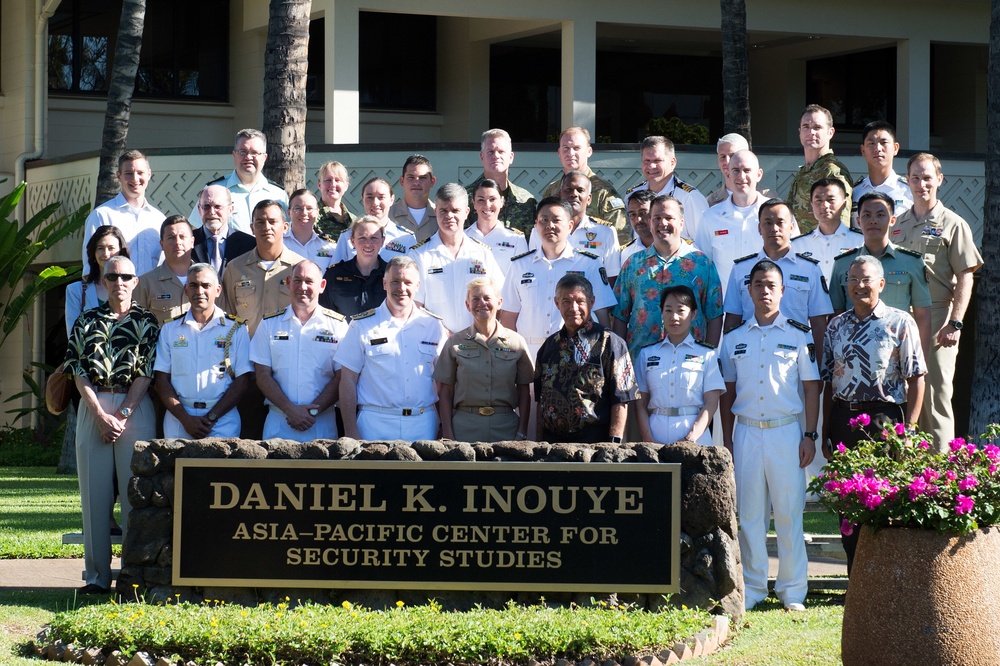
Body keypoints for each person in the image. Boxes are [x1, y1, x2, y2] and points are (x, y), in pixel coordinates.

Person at [719, 260, 821, 612]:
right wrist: (728, 440)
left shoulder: (798, 334)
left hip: (786, 434)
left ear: (782, 291)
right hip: (747, 433)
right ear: (748, 290)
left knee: (789, 514)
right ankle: (754, 587)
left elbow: (811, 388)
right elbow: (728, 393)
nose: (764, 290)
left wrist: (809, 434)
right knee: (749, 517)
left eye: (771, 285)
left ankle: (792, 590)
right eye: (758, 284)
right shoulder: (733, 340)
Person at [821, 255, 926, 573]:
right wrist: (826, 429)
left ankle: (883, 578)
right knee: (848, 506)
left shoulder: (900, 321)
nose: (858, 285)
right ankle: (856, 579)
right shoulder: (835, 326)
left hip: (885, 420)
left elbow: (916, 377)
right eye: (852, 280)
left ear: (881, 284)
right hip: (844, 419)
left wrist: (908, 430)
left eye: (866, 279)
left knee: (884, 500)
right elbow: (829, 382)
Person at [63, 255, 159, 594]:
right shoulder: (87, 321)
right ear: (104, 282)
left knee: (136, 496)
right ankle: (97, 578)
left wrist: (123, 414)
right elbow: (78, 371)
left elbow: (146, 372)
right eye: (112, 276)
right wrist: (101, 415)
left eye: (125, 277)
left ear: (135, 282)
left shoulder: (148, 321)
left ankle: (133, 575)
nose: (119, 282)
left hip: (135, 407)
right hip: (94, 406)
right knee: (95, 497)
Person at [893, 153, 984, 449]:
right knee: (901, 397)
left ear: (939, 180)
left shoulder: (953, 224)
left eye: (927, 177)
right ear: (907, 180)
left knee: (935, 397)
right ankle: (903, 469)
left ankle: (939, 475)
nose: (921, 184)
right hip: (900, 320)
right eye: (915, 178)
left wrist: (955, 323)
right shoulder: (897, 226)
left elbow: (966, 276)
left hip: (937, 319)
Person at [335, 256, 448, 441]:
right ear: (384, 283)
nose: (402, 288)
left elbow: (444, 381)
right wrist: (350, 431)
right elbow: (348, 380)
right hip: (375, 423)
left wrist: (445, 426)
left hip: (423, 423)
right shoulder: (362, 325)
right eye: (395, 282)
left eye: (408, 282)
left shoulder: (433, 326)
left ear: (418, 285)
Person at [500, 197, 617, 359]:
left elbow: (602, 313)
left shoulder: (589, 263)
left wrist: (601, 356)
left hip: (577, 353)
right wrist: (511, 356)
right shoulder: (520, 265)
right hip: (529, 353)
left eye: (556, 220)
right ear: (536, 225)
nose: (550, 226)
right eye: (544, 220)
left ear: (570, 226)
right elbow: (508, 316)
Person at [614, 195, 724, 359]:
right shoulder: (633, 264)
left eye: (668, 218)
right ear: (650, 222)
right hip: (640, 361)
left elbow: (714, 315)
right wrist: (619, 360)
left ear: (681, 223)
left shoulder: (702, 264)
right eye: (657, 218)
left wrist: (710, 356)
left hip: (690, 362)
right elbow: (619, 316)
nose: (662, 223)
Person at [534, 273, 638, 443]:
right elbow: (540, 401)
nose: (573, 308)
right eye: (566, 301)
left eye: (580, 301)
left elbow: (621, 400)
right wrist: (538, 444)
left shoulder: (610, 342)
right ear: (556, 303)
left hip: (595, 445)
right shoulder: (548, 346)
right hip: (552, 446)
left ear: (592, 302)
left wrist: (613, 445)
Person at [251, 261, 348, 441]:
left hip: (322, 423)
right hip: (279, 421)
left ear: (322, 286)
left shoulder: (338, 325)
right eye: (297, 280)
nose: (303, 287)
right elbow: (262, 374)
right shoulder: (269, 324)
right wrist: (290, 410)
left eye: (309, 281)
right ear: (288, 282)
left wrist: (312, 411)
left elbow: (342, 376)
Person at [153, 263, 252, 439]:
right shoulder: (170, 329)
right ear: (185, 289)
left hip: (222, 420)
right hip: (179, 420)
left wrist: (211, 417)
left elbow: (242, 380)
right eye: (193, 285)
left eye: (206, 286)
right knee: (176, 467)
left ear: (218, 290)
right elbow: (161, 380)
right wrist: (185, 419)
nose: (199, 291)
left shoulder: (236, 329)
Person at [829, 192, 932, 357]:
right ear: (858, 221)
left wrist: (920, 361)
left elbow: (923, 315)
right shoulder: (843, 264)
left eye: (880, 215)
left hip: (896, 351)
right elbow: (836, 314)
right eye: (867, 215)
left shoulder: (911, 262)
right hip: (852, 353)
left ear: (892, 220)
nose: (873, 220)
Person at [724, 199, 832, 354]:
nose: (774, 228)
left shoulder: (809, 269)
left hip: (795, 358)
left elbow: (818, 324)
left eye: (780, 222)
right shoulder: (741, 269)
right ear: (759, 228)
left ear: (791, 227)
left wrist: (821, 369)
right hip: (750, 356)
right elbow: (732, 320)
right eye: (767, 223)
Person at [434, 277, 533, 442]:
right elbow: (445, 392)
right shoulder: (455, 342)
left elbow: (524, 392)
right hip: (464, 428)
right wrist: (448, 434)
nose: (482, 303)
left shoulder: (517, 342)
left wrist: (522, 432)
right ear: (468, 305)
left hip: (506, 428)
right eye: (475, 299)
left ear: (499, 302)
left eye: (487, 298)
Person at [634, 285, 725, 447]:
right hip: (656, 434)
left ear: (693, 314)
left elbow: (711, 403)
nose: (674, 317)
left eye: (681, 310)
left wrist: (689, 439)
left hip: (696, 436)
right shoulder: (647, 354)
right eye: (668, 310)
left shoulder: (707, 354)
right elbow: (640, 403)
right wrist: (649, 440)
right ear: (661, 313)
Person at [409, 183, 505, 333]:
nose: (449, 216)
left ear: (466, 212)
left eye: (455, 210)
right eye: (443, 210)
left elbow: (499, 300)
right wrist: (446, 335)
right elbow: (415, 305)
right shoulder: (419, 255)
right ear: (435, 212)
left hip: (477, 341)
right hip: (435, 343)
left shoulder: (482, 254)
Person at [220, 199, 305, 337]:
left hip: (285, 351)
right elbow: (228, 315)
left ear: (285, 227)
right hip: (246, 352)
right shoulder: (235, 268)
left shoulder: (300, 268)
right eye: (260, 222)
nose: (266, 227)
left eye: (272, 222)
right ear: (252, 228)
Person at [694, 149, 773, 293]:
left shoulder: (777, 215)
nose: (741, 176)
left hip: (767, 309)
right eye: (736, 171)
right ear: (728, 174)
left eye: (747, 170)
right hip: (726, 309)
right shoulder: (710, 218)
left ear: (759, 174)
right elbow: (702, 267)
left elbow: (792, 260)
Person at [81, 150, 164, 277]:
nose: (135, 179)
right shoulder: (102, 215)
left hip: (152, 294)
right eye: (129, 173)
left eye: (140, 173)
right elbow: (90, 267)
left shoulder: (159, 219)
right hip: (114, 294)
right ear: (118, 176)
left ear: (149, 174)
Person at [189, 129, 289, 233]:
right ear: (234, 155)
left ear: (264, 157)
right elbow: (196, 229)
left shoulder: (278, 195)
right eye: (242, 152)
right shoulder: (214, 191)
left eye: (254, 153)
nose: (248, 157)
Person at [540, 126, 627, 239]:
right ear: (559, 153)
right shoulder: (552, 190)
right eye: (565, 148)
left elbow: (621, 236)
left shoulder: (604, 191)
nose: (570, 153)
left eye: (576, 148)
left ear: (589, 151)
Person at [625, 136, 709, 242]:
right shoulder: (632, 195)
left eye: (657, 160)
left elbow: (703, 243)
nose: (651, 166)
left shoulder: (690, 197)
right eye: (646, 161)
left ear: (673, 162)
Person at [786, 105, 853, 233]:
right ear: (799, 132)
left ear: (830, 132)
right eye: (806, 127)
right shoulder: (803, 172)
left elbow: (841, 224)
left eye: (817, 128)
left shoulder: (833, 172)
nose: (811, 132)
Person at [464, 129, 537, 235]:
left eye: (501, 151)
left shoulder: (526, 200)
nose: (496, 156)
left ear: (511, 157)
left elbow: (531, 242)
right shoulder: (465, 198)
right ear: (482, 157)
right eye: (490, 152)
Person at [790, 178, 863, 283]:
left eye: (831, 200)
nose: (824, 206)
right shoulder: (797, 245)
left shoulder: (860, 242)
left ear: (844, 204)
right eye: (818, 200)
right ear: (811, 204)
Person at [329, 177, 416, 264]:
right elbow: (336, 273)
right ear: (363, 199)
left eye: (381, 197)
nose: (375, 203)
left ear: (391, 200)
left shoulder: (406, 238)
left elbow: (414, 274)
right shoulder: (347, 236)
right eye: (370, 197)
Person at [66, 226, 130, 337]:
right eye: (100, 248)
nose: (106, 254)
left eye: (111, 248)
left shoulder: (134, 287)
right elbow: (73, 336)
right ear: (94, 254)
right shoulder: (76, 291)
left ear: (121, 252)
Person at [319, 216, 389, 319]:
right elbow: (323, 314)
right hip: (343, 334)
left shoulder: (391, 275)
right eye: (362, 238)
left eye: (374, 238)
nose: (368, 244)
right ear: (352, 241)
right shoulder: (334, 274)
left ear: (382, 241)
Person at [134, 215, 194, 325]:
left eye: (182, 236)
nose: (177, 242)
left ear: (192, 241)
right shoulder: (145, 284)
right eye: (171, 237)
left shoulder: (209, 279)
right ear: (162, 244)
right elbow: (136, 326)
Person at [851, 120, 912, 219]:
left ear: (895, 148)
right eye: (871, 143)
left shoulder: (909, 190)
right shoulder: (854, 192)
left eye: (883, 142)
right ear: (863, 150)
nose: (877, 148)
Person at [466, 178, 528, 275]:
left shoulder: (516, 239)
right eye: (481, 200)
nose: (487, 205)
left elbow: (522, 276)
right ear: (473, 203)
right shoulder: (463, 237)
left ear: (502, 201)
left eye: (492, 199)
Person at [191, 185, 256, 274]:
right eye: (207, 206)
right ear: (199, 209)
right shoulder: (188, 242)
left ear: (230, 210)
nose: (212, 212)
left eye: (217, 206)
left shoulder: (249, 244)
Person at [283, 189, 338, 271]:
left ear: (317, 212)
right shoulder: (279, 243)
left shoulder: (330, 248)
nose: (304, 213)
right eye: (298, 208)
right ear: (288, 213)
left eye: (309, 208)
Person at [388, 155, 438, 242]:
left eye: (422, 178)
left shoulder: (440, 216)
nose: (416, 183)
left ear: (432, 181)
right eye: (411, 178)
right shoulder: (388, 214)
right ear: (402, 181)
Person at [314, 161, 356, 242]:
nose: (333, 184)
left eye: (338, 180)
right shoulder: (311, 217)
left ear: (346, 186)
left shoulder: (353, 221)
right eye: (328, 180)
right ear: (319, 185)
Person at [619, 189, 656, 269]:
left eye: (643, 213)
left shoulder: (675, 247)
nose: (638, 219)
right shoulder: (627, 252)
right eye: (632, 214)